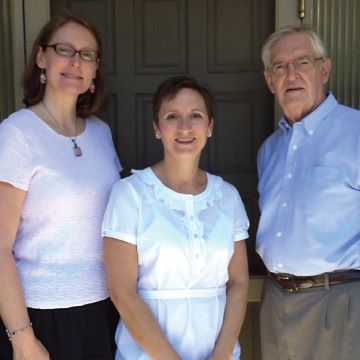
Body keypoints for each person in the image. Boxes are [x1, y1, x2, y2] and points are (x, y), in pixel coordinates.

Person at [0, 13, 121, 359]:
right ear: (41, 57)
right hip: (42, 315)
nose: (75, 62)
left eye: (86, 54)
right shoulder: (17, 134)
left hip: (104, 308)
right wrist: (22, 338)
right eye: (64, 49)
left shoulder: (100, 133)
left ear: (96, 68)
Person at [102, 75, 250, 359]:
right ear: (157, 128)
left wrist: (222, 354)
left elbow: (239, 282)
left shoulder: (227, 196)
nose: (184, 127)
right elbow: (122, 291)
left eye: (195, 115)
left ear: (210, 127)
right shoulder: (130, 195)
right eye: (172, 116)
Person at [257, 25, 360, 360]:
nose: (292, 74)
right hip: (275, 300)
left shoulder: (355, 133)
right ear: (270, 80)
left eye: (302, 62)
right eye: (280, 67)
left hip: (339, 302)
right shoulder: (269, 150)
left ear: (324, 69)